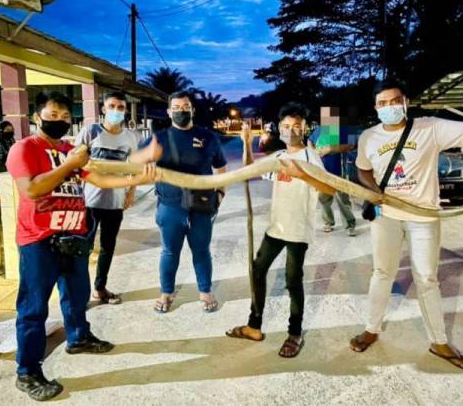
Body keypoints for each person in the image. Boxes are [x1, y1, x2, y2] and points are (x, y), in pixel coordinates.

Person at [349, 79, 463, 370]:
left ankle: (439, 341)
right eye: (382, 104)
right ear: (375, 108)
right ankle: (372, 329)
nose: (389, 107)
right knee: (382, 272)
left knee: (426, 278)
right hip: (387, 215)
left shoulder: (430, 127)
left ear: (405, 102)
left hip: (423, 217)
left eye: (394, 101)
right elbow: (362, 168)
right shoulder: (368, 137)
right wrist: (373, 191)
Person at [6, 91, 155, 401]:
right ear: (37, 117)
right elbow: (32, 189)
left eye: (64, 117)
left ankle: (79, 338)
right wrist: (69, 163)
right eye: (53, 115)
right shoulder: (24, 149)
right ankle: (27, 371)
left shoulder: (70, 150)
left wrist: (139, 178)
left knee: (76, 295)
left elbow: (99, 181)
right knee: (34, 308)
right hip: (39, 240)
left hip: (74, 235)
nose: (59, 121)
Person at [226, 103, 335, 358]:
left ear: (305, 128)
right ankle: (254, 325)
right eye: (286, 126)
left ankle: (294, 333)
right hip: (276, 228)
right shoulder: (277, 157)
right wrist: (245, 142)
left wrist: (302, 174)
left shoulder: (311, 157)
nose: (291, 130)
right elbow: (249, 170)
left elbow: (330, 189)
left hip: (298, 231)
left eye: (296, 126)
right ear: (279, 128)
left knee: (292, 281)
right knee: (258, 269)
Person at [134, 90, 227, 313]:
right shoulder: (159, 138)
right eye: (176, 108)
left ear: (192, 109)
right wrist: (146, 156)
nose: (181, 111)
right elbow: (135, 160)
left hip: (201, 206)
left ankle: (205, 291)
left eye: (185, 107)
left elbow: (221, 168)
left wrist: (220, 194)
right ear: (169, 112)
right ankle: (166, 293)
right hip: (170, 206)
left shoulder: (207, 137)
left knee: (201, 250)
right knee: (169, 252)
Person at [75, 91, 138, 304]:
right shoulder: (90, 132)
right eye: (112, 106)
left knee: (108, 247)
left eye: (121, 107)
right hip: (89, 202)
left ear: (125, 110)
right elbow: (75, 162)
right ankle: (79, 293)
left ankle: (99, 288)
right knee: (83, 248)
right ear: (103, 109)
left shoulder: (130, 137)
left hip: (115, 202)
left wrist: (131, 192)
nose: (116, 111)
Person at [309, 106, 357, 236]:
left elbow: (351, 145)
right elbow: (310, 141)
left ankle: (349, 224)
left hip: (339, 171)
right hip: (322, 172)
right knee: (324, 199)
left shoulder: (343, 129)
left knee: (343, 200)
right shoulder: (319, 130)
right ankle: (328, 222)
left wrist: (332, 149)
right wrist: (313, 151)